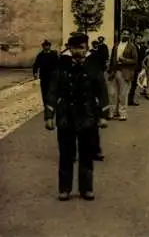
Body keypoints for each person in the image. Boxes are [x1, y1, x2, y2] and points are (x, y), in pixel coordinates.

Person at [44, 33, 109, 201]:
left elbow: (102, 91)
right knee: (66, 154)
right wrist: (49, 115)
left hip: (88, 116)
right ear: (70, 49)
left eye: (81, 48)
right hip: (66, 116)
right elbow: (52, 90)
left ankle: (86, 189)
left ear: (86, 48)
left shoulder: (93, 66)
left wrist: (103, 115)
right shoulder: (61, 66)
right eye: (74, 48)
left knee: (86, 154)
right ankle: (64, 188)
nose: (78, 51)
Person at [108, 29, 138, 121]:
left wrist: (124, 60)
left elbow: (135, 60)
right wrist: (110, 70)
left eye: (127, 34)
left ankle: (123, 113)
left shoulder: (132, 46)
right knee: (113, 93)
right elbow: (112, 58)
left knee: (123, 94)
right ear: (120, 34)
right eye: (124, 34)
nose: (125, 35)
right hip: (115, 71)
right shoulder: (116, 45)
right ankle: (113, 112)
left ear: (129, 36)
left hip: (125, 72)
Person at [32, 40, 59, 107]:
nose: (46, 47)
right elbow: (36, 64)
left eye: (47, 46)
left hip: (52, 75)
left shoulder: (53, 54)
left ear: (50, 46)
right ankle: (46, 104)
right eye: (45, 46)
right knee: (44, 91)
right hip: (44, 76)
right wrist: (35, 73)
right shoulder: (40, 55)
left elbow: (58, 64)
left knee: (52, 90)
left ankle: (52, 103)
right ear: (43, 47)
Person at [128, 33, 146, 106]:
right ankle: (129, 100)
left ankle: (133, 100)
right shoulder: (132, 46)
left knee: (137, 84)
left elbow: (142, 58)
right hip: (132, 68)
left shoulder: (142, 48)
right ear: (135, 39)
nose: (139, 39)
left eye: (140, 38)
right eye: (137, 38)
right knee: (131, 85)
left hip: (139, 68)